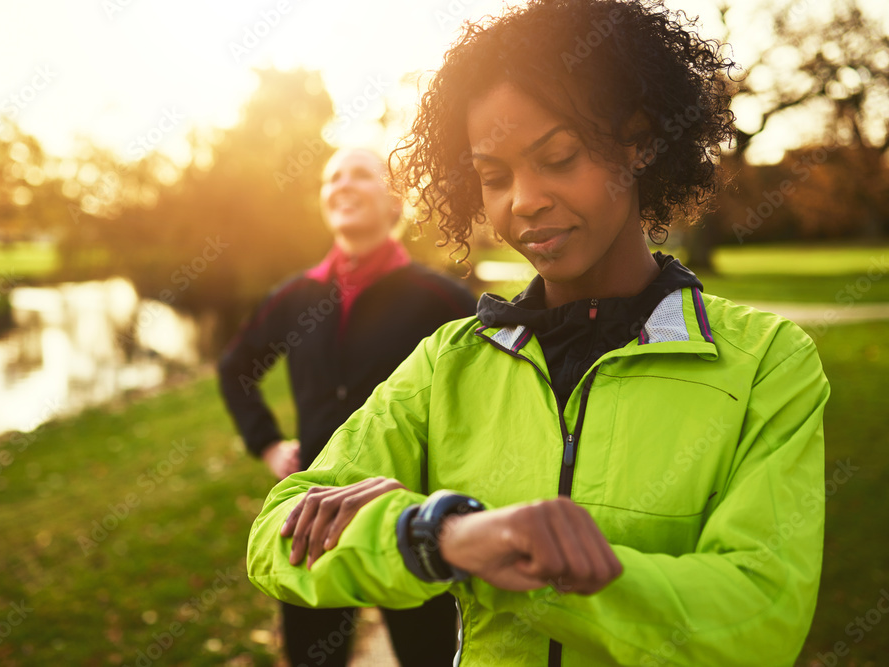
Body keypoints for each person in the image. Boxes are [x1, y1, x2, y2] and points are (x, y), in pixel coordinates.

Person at [246, 1, 830, 666]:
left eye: (557, 155)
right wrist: (438, 533)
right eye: (493, 176)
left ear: (638, 142)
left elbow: (759, 614)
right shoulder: (447, 364)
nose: (521, 199)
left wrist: (503, 557)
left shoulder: (765, 362)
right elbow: (276, 535)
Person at [219, 147, 476, 665]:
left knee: (426, 654)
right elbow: (234, 369)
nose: (343, 184)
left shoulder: (440, 298)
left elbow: (487, 388)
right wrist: (268, 445)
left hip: (413, 511)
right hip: (315, 511)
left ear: (394, 203)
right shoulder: (295, 296)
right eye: (332, 177)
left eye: (361, 174)